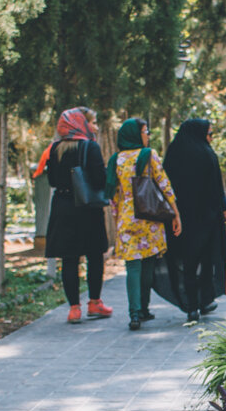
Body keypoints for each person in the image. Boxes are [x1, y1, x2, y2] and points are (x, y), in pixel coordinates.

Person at [104, 117, 181, 330]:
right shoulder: (149, 155)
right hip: (150, 218)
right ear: (136, 135)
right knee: (148, 262)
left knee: (133, 267)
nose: (148, 136)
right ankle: (144, 309)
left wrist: (116, 218)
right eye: (146, 132)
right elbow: (164, 185)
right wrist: (176, 213)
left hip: (127, 219)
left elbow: (114, 196)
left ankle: (135, 314)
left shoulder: (116, 160)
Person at [45, 107, 112, 324]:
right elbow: (99, 179)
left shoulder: (54, 149)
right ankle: (94, 303)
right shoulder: (90, 147)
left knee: (69, 258)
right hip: (87, 208)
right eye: (92, 122)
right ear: (80, 124)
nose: (95, 127)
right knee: (94, 255)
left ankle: (74, 308)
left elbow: (53, 181)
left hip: (63, 207)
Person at [163, 119, 226, 325]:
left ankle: (192, 306)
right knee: (207, 260)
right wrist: (225, 212)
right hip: (207, 218)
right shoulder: (207, 154)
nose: (210, 138)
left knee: (188, 263)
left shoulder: (174, 152)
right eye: (210, 134)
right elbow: (217, 187)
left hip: (180, 219)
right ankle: (204, 300)